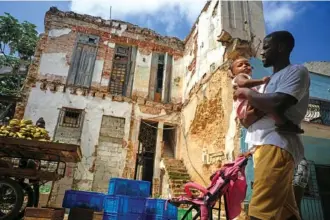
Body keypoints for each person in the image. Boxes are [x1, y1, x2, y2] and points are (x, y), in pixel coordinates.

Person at [234, 30, 310, 220]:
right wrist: (257, 101)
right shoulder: (264, 84)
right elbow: (247, 120)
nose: (262, 52)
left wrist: (249, 94)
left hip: (276, 144)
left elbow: (277, 103)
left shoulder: (296, 71)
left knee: (259, 211)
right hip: (262, 146)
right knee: (287, 213)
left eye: (266, 47)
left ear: (281, 47)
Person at [231, 57, 304, 134]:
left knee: (264, 108)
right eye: (240, 65)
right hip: (245, 106)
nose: (245, 66)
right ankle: (284, 123)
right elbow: (243, 83)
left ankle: (283, 123)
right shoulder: (240, 76)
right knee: (267, 105)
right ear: (234, 73)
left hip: (246, 111)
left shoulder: (248, 79)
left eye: (247, 64)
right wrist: (261, 81)